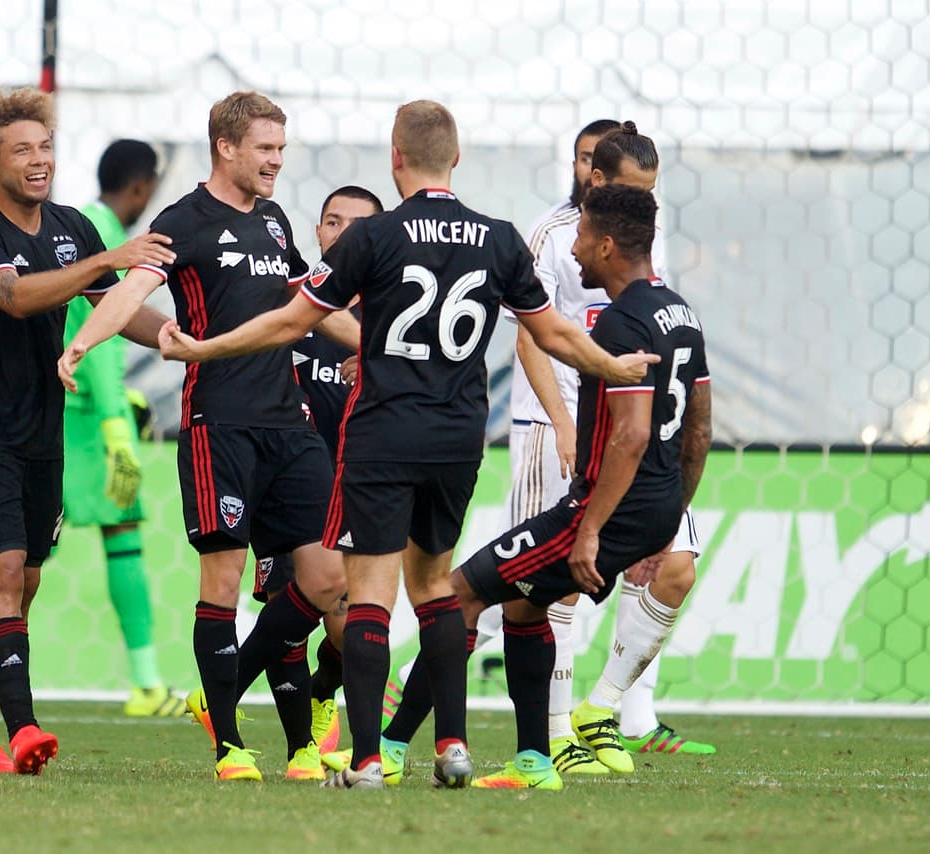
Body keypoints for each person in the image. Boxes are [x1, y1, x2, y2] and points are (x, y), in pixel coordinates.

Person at [158, 100, 657, 790]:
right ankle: (450, 744)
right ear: (457, 159)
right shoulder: (499, 237)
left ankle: (366, 758)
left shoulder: (375, 237)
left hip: (383, 434)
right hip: (457, 438)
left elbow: (289, 320)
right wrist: (614, 367)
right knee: (435, 590)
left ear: (395, 158)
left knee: (369, 596)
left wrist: (205, 346)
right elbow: (555, 335)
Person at [58, 91, 355, 783]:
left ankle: (225, 689)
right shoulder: (182, 221)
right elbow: (131, 292)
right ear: (226, 147)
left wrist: (381, 349)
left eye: (281, 149)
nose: (277, 161)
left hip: (289, 425)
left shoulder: (277, 221)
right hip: (217, 425)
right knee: (221, 582)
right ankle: (229, 746)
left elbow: (309, 303)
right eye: (265, 149)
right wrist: (82, 346)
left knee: (329, 574)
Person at [388, 182, 713, 791]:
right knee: (526, 602)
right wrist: (669, 518)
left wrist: (589, 530)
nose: (578, 245)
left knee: (457, 596)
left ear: (609, 244)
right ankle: (535, 760)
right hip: (651, 509)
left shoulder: (622, 323)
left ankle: (390, 747)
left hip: (599, 513)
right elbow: (699, 429)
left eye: (585, 235)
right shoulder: (681, 313)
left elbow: (633, 436)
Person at [0, 86, 174, 774]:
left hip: (45, 428)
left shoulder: (72, 225)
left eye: (45, 147)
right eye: (22, 151)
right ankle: (25, 730)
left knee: (27, 580)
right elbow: (15, 298)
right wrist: (106, 261)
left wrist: (183, 338)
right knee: (4, 571)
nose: (39, 161)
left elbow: (116, 309)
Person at [251, 186, 384, 766]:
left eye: (357, 226)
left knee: (344, 626)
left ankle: (321, 695)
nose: (341, 233)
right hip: (289, 480)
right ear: (318, 234)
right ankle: (300, 747)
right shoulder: (290, 313)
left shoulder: (390, 320)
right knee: (291, 602)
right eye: (331, 222)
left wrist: (380, 370)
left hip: (360, 488)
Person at [71, 139, 183, 716]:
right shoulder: (107, 233)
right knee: (24, 551)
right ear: (140, 189)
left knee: (29, 546)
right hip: (86, 419)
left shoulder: (80, 221)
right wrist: (117, 425)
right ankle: (145, 683)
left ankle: (146, 682)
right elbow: (102, 331)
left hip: (80, 407)